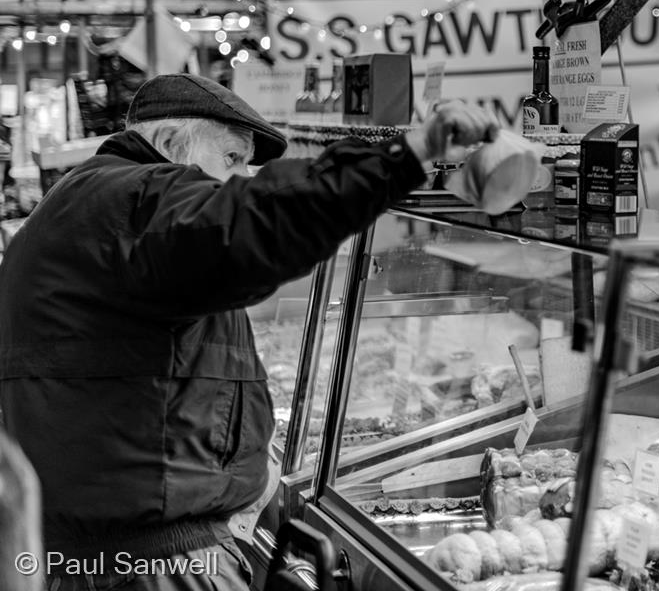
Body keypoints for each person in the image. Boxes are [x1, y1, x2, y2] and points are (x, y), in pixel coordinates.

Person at [0, 74, 499, 591]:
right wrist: (408, 155)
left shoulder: (85, 202)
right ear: (169, 143)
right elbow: (258, 220)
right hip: (154, 566)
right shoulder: (139, 202)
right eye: (232, 157)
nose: (239, 178)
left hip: (94, 557)